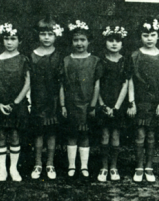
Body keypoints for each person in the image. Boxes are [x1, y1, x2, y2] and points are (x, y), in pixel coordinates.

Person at [0, 22, 30, 182]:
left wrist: (15, 103)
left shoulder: (23, 59)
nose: (9, 42)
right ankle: (2, 170)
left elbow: (27, 83)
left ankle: (13, 169)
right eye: (6, 38)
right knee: (0, 135)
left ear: (19, 41)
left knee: (14, 135)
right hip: (0, 103)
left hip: (16, 103)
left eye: (13, 38)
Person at [60, 20, 101, 178]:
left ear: (89, 41)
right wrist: (63, 105)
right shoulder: (66, 60)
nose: (79, 43)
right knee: (72, 134)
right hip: (71, 103)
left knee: (84, 134)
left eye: (82, 40)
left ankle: (84, 166)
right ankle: (71, 166)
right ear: (71, 41)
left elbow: (97, 85)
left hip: (87, 104)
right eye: (76, 40)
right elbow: (62, 85)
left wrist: (92, 105)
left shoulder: (95, 61)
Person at [128, 19, 159, 183]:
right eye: (145, 35)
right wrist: (131, 102)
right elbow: (129, 80)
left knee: (151, 135)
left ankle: (149, 167)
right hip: (139, 100)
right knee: (140, 134)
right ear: (140, 37)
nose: (149, 38)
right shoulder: (135, 55)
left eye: (152, 35)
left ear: (158, 36)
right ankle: (139, 167)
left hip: (155, 101)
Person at [29, 17, 64, 180]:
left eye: (50, 34)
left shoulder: (60, 56)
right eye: (43, 34)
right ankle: (37, 163)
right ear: (38, 35)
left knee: (51, 131)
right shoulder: (31, 55)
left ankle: (50, 163)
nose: (46, 38)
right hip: (37, 98)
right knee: (38, 132)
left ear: (56, 35)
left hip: (54, 98)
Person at [97, 26, 128, 182]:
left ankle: (114, 167)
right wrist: (102, 105)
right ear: (105, 42)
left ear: (122, 44)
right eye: (110, 40)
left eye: (118, 41)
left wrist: (116, 107)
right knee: (104, 134)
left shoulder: (124, 61)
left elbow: (125, 84)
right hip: (103, 101)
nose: (114, 44)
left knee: (115, 135)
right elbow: (97, 84)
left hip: (118, 103)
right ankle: (103, 167)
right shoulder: (100, 60)